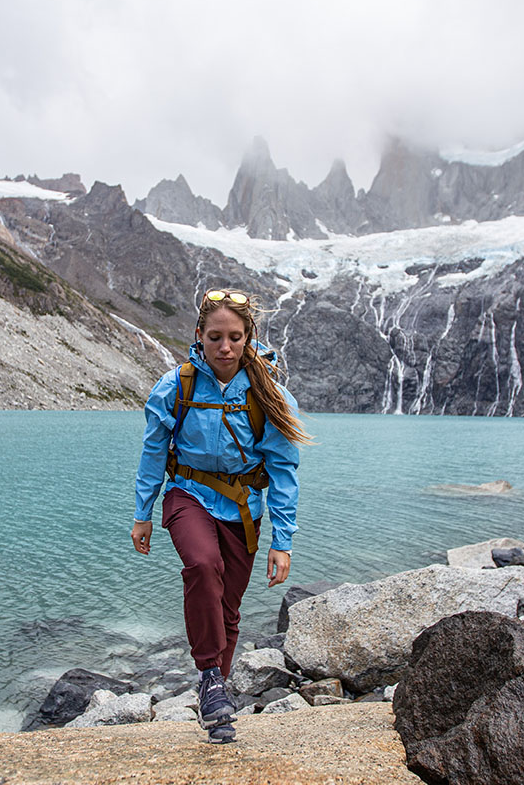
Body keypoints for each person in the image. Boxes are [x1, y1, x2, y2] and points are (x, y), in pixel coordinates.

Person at [132, 288, 311, 743]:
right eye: (215, 337)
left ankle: (217, 702)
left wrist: (283, 540)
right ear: (199, 336)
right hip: (186, 495)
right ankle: (211, 677)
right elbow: (154, 454)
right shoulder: (176, 387)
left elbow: (283, 470)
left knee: (229, 609)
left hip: (242, 509)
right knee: (202, 564)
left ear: (249, 337)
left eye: (235, 337)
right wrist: (143, 514)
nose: (225, 347)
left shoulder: (269, 395)